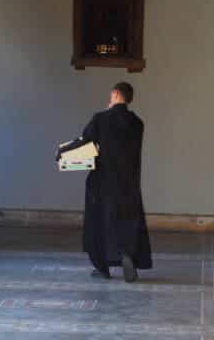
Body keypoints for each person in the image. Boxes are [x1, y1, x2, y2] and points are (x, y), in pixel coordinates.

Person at [57, 81, 152, 282]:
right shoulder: (138, 123)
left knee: (99, 223)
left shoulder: (101, 119)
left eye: (111, 96)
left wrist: (61, 151)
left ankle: (102, 267)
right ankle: (127, 254)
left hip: (103, 182)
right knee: (128, 222)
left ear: (116, 95)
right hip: (129, 184)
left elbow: (84, 141)